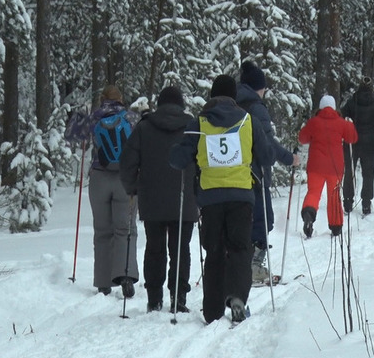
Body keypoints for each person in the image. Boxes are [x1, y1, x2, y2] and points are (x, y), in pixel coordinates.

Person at [169, 75, 273, 324]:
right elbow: (267, 156)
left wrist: (180, 150)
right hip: (241, 195)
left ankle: (212, 311)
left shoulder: (200, 123)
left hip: (211, 198)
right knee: (240, 248)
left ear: (211, 96)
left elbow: (177, 160)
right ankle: (237, 296)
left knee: (214, 252)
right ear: (234, 97)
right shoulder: (249, 121)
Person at [119, 86, 198, 313]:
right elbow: (202, 159)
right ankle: (178, 297)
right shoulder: (192, 128)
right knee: (180, 248)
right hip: (185, 198)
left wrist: (133, 187)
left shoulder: (144, 127)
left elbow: (127, 163)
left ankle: (154, 298)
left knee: (154, 249)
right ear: (181, 104)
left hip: (152, 198)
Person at [64, 85, 140, 297]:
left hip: (99, 177)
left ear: (102, 99)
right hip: (125, 179)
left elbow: (71, 136)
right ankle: (126, 276)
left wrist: (78, 117)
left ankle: (103, 283)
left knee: (102, 231)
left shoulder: (93, 118)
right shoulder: (131, 118)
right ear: (121, 99)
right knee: (125, 229)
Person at [235, 61, 299, 283]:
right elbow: (266, 144)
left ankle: (238, 265)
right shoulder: (256, 107)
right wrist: (290, 158)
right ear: (257, 87)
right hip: (255, 173)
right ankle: (253, 268)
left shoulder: (232, 103)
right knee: (264, 219)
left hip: (232, 174)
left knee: (241, 221)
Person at [299, 94, 358, 237]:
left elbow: (302, 138)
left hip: (315, 166)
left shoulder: (314, 122)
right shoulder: (342, 123)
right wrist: (350, 124)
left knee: (313, 192)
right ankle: (336, 226)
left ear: (320, 107)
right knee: (334, 195)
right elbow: (353, 138)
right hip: (335, 167)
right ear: (334, 107)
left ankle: (309, 213)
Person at [342, 76, 374, 215]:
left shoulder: (351, 103)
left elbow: (341, 118)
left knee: (349, 172)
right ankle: (366, 203)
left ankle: (348, 201)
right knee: (368, 174)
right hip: (369, 143)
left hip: (352, 141)